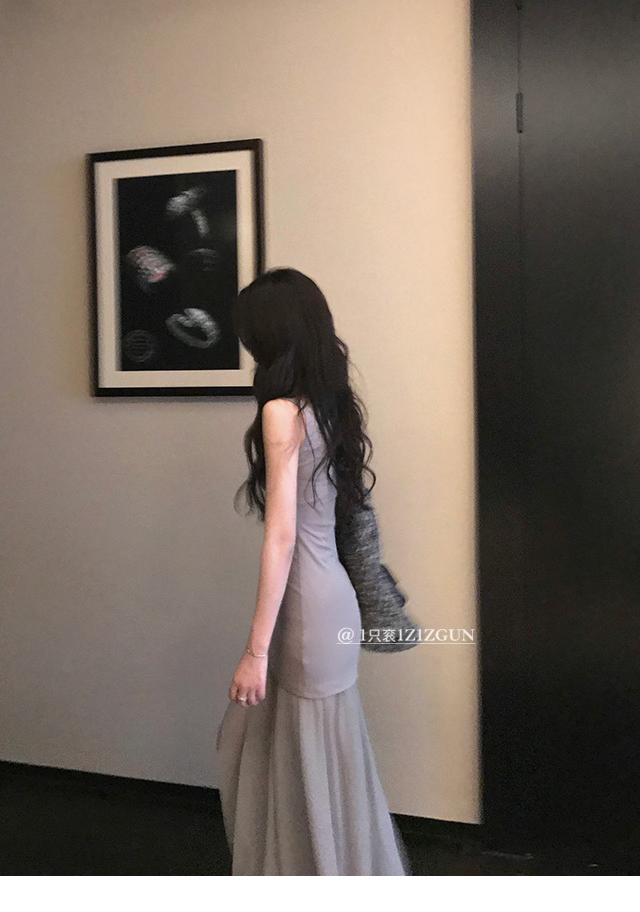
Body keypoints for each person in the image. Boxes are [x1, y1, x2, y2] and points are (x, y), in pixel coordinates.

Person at [215, 266, 411, 875]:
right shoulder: (328, 406)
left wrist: (255, 652)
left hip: (305, 610)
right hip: (331, 603)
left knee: (302, 763)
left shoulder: (282, 411)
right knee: (326, 763)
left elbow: (281, 539)